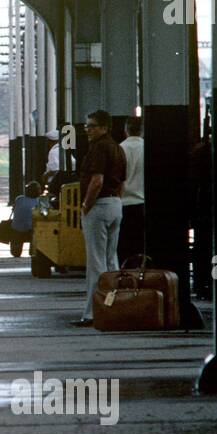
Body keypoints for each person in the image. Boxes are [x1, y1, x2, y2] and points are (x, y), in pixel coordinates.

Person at [72, 109, 125, 326]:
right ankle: (114, 306)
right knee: (111, 261)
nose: (87, 130)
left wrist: (86, 205)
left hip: (99, 205)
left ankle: (93, 313)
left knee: (95, 262)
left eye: (92, 126)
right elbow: (122, 182)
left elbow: (97, 180)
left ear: (104, 127)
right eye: (87, 126)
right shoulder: (118, 148)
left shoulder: (99, 148)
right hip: (115, 205)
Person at [118, 116, 145, 266]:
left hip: (123, 204)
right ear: (142, 131)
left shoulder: (120, 149)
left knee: (124, 247)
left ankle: (125, 279)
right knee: (140, 246)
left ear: (125, 131)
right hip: (142, 204)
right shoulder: (148, 148)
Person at [6, 181, 46, 257]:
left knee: (17, 228)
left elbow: (14, 210)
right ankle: (33, 249)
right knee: (39, 227)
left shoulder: (19, 199)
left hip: (17, 228)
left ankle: (16, 248)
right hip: (32, 229)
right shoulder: (41, 201)